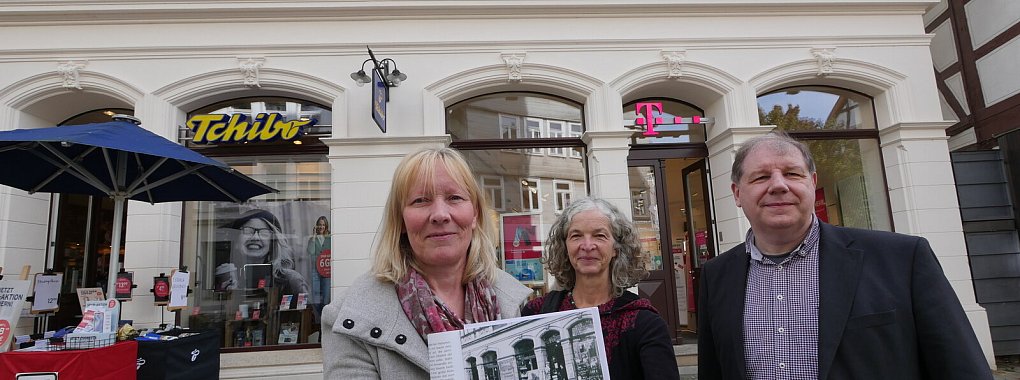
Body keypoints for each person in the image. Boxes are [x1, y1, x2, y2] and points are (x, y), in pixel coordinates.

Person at [698, 132, 993, 379]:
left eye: (792, 173)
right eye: (761, 177)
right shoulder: (716, 276)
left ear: (812, 183)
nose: (778, 185)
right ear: (737, 194)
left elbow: (961, 368)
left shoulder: (903, 259)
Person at [321, 148, 532, 379]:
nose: (440, 214)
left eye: (455, 198)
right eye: (421, 200)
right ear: (400, 220)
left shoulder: (510, 301)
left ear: (475, 215)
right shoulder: (350, 317)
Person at [522, 197, 680, 380]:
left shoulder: (644, 323)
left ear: (616, 248)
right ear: (565, 247)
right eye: (576, 236)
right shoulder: (536, 313)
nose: (587, 246)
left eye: (599, 236)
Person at [222, 209, 309, 297]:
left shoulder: (291, 280)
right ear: (236, 241)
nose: (255, 237)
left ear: (272, 244)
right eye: (248, 231)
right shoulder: (227, 278)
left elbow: (305, 310)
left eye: (264, 232)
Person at [307, 215, 331, 316]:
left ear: (326, 226)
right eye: (319, 225)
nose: (321, 227)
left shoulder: (330, 239)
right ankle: (319, 315)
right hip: (315, 270)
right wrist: (313, 238)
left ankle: (323, 316)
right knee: (315, 296)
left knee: (326, 297)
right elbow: (311, 251)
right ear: (316, 226)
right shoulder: (312, 239)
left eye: (323, 225)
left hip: (326, 270)